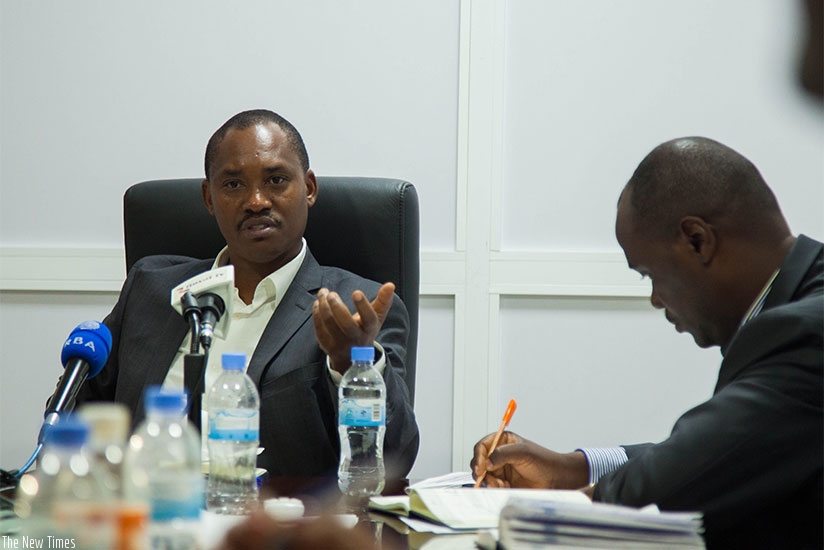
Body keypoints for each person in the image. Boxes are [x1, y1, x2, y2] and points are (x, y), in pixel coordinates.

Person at [471, 137, 823, 549]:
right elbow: (714, 452)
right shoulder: (800, 307)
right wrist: (572, 468)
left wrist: (546, 518)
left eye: (649, 274)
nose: (655, 299)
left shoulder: (804, 333)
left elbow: (673, 483)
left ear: (697, 240)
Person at [76, 109, 419, 478]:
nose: (256, 201)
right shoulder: (152, 288)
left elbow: (394, 458)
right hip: (144, 505)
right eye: (233, 185)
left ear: (309, 188)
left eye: (276, 180)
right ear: (209, 198)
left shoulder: (354, 308)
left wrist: (351, 365)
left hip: (272, 513)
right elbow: (76, 419)